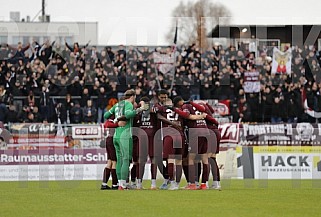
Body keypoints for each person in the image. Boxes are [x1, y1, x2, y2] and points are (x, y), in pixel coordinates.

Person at [104, 89, 148, 190]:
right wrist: (139, 109)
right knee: (126, 160)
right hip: (125, 135)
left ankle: (120, 184)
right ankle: (123, 185)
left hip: (116, 135)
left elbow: (106, 115)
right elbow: (128, 115)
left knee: (119, 160)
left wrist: (116, 121)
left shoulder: (118, 104)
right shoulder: (128, 104)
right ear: (133, 96)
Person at [101, 117, 126, 190]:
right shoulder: (117, 118)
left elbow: (106, 124)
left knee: (109, 162)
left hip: (108, 139)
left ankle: (104, 184)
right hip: (112, 140)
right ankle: (115, 184)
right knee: (114, 162)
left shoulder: (111, 119)